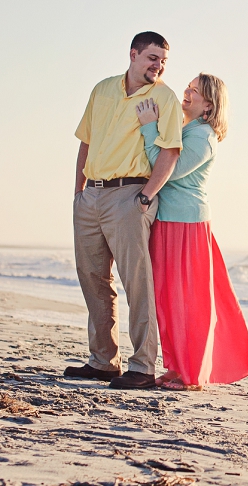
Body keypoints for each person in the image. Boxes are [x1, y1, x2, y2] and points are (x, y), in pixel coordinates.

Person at [67, 31, 182, 390]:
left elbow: (171, 151)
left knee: (136, 282)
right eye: (152, 58)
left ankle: (143, 366)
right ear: (133, 54)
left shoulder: (163, 96)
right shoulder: (102, 89)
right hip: (91, 196)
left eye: (162, 60)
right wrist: (78, 191)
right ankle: (103, 362)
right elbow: (86, 140)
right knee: (93, 279)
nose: (157, 66)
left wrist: (146, 196)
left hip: (130, 195)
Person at [135, 73, 248, 390]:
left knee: (187, 301)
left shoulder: (202, 137)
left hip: (187, 225)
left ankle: (191, 375)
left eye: (195, 91)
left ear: (208, 106)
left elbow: (165, 170)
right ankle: (176, 368)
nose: (186, 92)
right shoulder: (187, 130)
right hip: (168, 222)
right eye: (188, 87)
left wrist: (149, 127)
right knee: (167, 299)